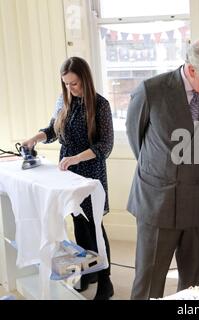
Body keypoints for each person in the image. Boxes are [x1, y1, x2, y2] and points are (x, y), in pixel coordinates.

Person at [126, 36, 199, 299]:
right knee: (149, 281)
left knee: (197, 284)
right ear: (192, 69)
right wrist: (165, 170)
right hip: (158, 201)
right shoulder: (151, 90)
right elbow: (135, 139)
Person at [22, 56, 114, 300]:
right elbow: (53, 130)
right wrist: (34, 138)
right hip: (67, 173)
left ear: (84, 79)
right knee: (78, 227)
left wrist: (76, 158)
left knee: (94, 227)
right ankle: (87, 272)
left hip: (89, 173)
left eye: (74, 84)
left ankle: (106, 281)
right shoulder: (63, 101)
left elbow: (105, 145)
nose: (71, 88)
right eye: (66, 84)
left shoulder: (100, 105)